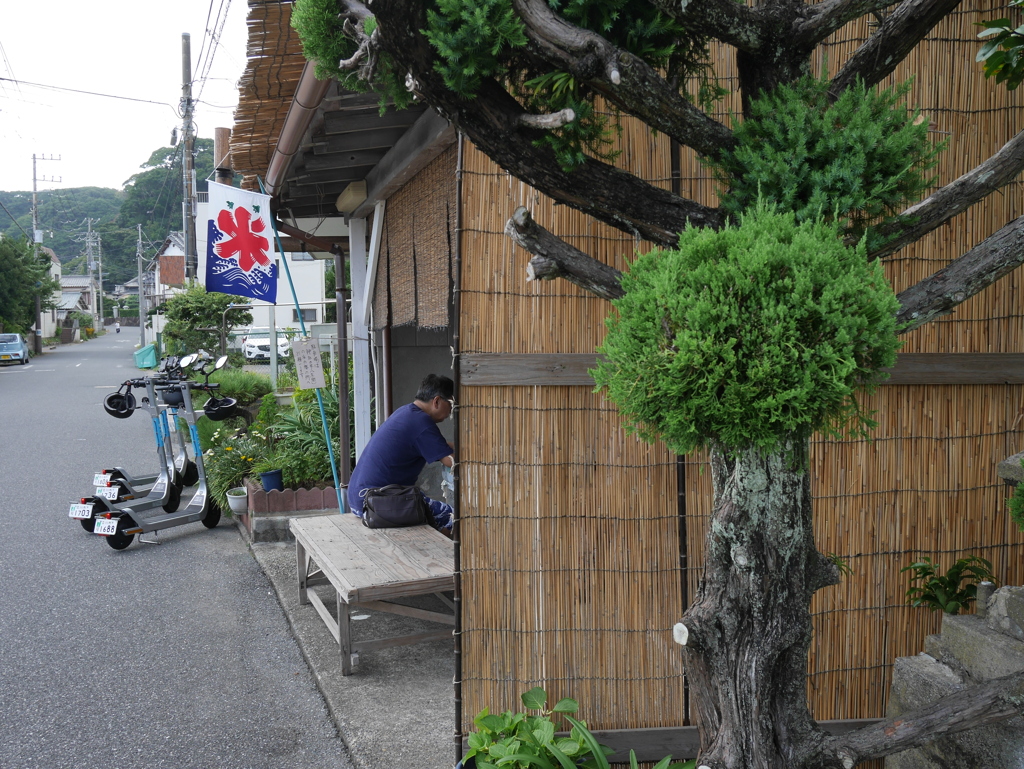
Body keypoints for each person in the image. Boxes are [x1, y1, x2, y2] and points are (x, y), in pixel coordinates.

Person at [348, 373, 455, 532]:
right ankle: (439, 554)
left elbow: (440, 446)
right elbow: (451, 461)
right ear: (437, 401)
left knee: (435, 512)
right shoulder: (422, 423)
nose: (452, 411)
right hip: (376, 504)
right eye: (451, 404)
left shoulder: (407, 413)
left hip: (360, 498)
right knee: (454, 518)